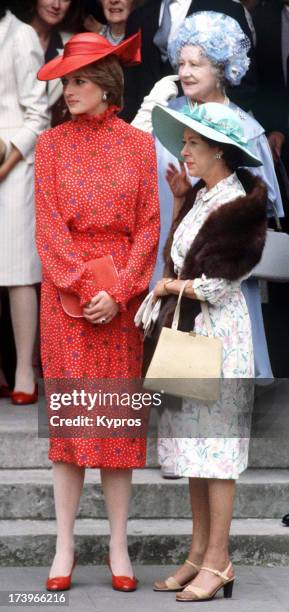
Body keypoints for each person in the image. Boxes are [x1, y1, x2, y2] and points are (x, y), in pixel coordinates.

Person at [35, 31, 159, 591]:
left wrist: (125, 288)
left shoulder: (139, 145)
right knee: (70, 424)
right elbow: (48, 226)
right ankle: (64, 546)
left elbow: (150, 227)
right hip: (67, 303)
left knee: (115, 425)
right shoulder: (50, 144)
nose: (69, 89)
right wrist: (87, 289)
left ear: (106, 85)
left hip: (122, 301)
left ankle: (117, 544)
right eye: (66, 80)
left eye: (78, 79)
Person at [149, 101, 267, 601]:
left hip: (220, 337)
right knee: (196, 452)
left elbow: (217, 285)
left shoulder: (239, 203)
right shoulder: (202, 196)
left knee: (217, 453)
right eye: (186, 141)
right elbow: (181, 253)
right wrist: (178, 203)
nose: (185, 150)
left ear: (219, 150)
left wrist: (168, 288)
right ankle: (199, 553)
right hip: (193, 336)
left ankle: (219, 561)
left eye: (194, 143)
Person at [0, 3, 49, 402]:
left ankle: (23, 372)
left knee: (17, 272)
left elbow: (39, 114)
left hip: (14, 167)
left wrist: (7, 162)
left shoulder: (21, 35)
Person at [124, 0, 256, 121]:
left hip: (214, 131)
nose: (185, 72)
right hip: (148, 128)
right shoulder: (139, 16)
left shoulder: (227, 9)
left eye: (193, 64)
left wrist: (211, 129)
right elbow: (131, 85)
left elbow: (244, 84)